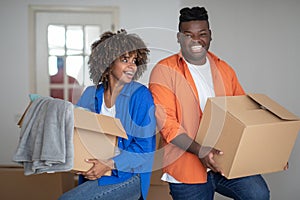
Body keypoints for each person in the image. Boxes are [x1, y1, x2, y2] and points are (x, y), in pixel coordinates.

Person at [149, 6, 270, 200]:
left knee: (258, 194)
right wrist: (201, 151)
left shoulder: (224, 69)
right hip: (186, 168)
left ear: (210, 35)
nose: (196, 40)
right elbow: (167, 124)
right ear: (179, 38)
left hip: (224, 159)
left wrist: (269, 152)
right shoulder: (164, 71)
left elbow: (242, 113)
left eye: (202, 34)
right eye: (188, 35)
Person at [59, 29, 156, 200]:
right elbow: (77, 135)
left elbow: (145, 149)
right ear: (108, 62)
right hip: (94, 170)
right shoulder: (90, 94)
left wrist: (108, 164)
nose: (132, 66)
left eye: (135, 60)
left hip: (128, 174)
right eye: (124, 60)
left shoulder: (140, 95)